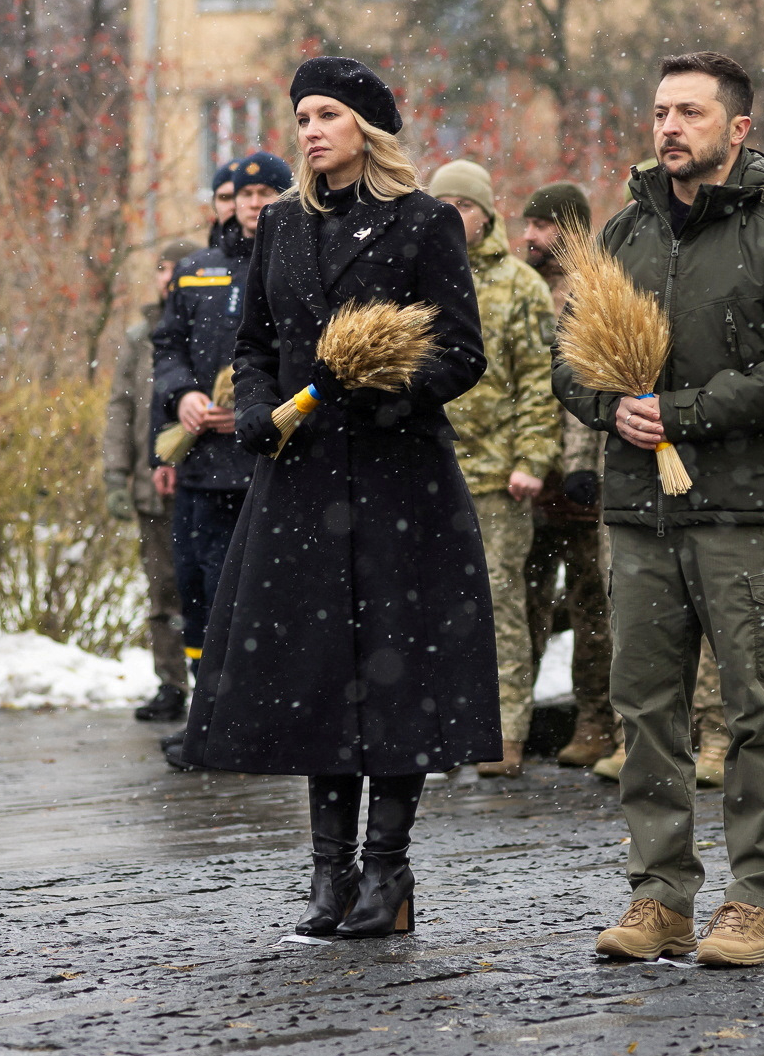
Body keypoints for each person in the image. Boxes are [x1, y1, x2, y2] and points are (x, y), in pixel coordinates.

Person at [180, 56, 500, 937]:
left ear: (368, 127)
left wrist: (382, 392)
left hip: (402, 479)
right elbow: (253, 344)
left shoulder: (426, 222)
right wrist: (253, 410)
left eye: (328, 114)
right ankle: (329, 874)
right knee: (318, 678)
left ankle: (388, 875)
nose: (312, 130)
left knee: (395, 677)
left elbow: (462, 352)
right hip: (303, 480)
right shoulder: (279, 228)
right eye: (304, 116)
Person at [556, 52, 764, 967]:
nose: (669, 126)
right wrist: (613, 405)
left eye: (688, 111)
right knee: (645, 707)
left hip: (746, 511)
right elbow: (570, 358)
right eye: (658, 110)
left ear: (738, 128)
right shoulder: (623, 234)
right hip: (639, 512)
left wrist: (685, 412)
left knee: (759, 710)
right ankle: (661, 896)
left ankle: (753, 900)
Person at [428, 160, 560, 779]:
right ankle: (440, 728)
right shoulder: (417, 279)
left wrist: (533, 460)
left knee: (500, 609)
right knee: (431, 608)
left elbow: (539, 382)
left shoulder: (519, 287)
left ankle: (504, 733)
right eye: (444, 204)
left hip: (497, 477)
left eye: (464, 205)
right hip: (430, 471)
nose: (454, 216)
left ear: (487, 215)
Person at [154, 152, 289, 731]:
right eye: (243, 194)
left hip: (266, 461)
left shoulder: (296, 265)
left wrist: (259, 413)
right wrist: (181, 394)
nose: (252, 204)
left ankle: (259, 714)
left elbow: (312, 358)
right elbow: (167, 348)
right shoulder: (196, 269)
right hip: (201, 468)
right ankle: (206, 716)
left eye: (264, 193)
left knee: (261, 591)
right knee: (197, 589)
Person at [518, 181, 618, 769]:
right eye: (527, 225)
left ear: (571, 228)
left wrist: (579, 464)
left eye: (541, 226)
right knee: (524, 601)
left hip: (580, 477)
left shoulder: (592, 291)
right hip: (528, 478)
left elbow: (588, 384)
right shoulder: (521, 289)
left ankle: (596, 720)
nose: (527, 236)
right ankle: (512, 718)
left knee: (592, 607)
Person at [105, 240, 194, 722]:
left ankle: (220, 691)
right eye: (162, 268)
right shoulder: (139, 336)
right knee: (162, 591)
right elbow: (120, 408)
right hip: (150, 488)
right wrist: (115, 475)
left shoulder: (213, 327)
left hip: (204, 486)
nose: (169, 276)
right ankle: (170, 685)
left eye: (178, 267)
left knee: (212, 592)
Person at [206, 159, 240, 247]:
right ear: (214, 204)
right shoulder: (201, 259)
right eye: (225, 198)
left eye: (243, 196)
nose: (233, 206)